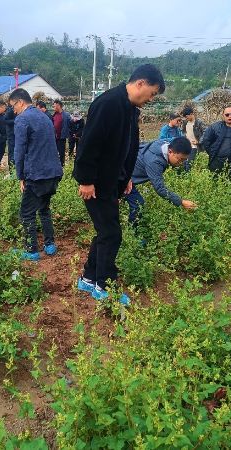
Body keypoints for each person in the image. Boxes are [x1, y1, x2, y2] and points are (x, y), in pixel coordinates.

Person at [73, 64, 165, 305]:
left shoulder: (129, 109)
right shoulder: (109, 103)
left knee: (106, 231)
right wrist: (86, 179)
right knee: (112, 233)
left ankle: (89, 279)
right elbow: (89, 144)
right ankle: (105, 286)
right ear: (140, 83)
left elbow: (127, 148)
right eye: (152, 93)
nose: (151, 99)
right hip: (97, 182)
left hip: (112, 181)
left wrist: (126, 179)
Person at [9, 88, 63, 261]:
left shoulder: (22, 119)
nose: (13, 110)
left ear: (20, 102)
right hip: (53, 173)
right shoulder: (45, 117)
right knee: (44, 209)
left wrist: (21, 176)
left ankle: (31, 250)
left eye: (13, 106)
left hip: (37, 175)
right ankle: (49, 245)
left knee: (26, 213)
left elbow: (19, 151)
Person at [125, 137, 198, 226]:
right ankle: (133, 231)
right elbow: (160, 188)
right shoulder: (155, 161)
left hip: (128, 170)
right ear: (170, 152)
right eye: (180, 159)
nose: (181, 163)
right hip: (122, 176)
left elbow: (177, 139)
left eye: (184, 160)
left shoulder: (166, 143)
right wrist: (181, 202)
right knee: (137, 204)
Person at [200, 105, 231, 178]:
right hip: (216, 161)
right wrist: (211, 153)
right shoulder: (214, 127)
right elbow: (206, 141)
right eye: (227, 115)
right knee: (215, 181)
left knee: (229, 183)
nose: (229, 116)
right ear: (223, 115)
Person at [181, 106, 207, 170]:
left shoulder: (199, 122)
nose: (186, 118)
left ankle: (189, 177)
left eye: (187, 116)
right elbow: (183, 131)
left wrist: (199, 141)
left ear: (191, 114)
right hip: (186, 146)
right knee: (183, 162)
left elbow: (206, 132)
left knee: (189, 163)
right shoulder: (185, 122)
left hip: (194, 146)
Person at [52, 99, 71, 166]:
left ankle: (62, 166)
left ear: (58, 106)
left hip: (61, 138)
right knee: (53, 153)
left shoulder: (66, 115)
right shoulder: (54, 115)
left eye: (54, 106)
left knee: (61, 153)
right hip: (54, 137)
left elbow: (70, 125)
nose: (53, 108)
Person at [4, 104, 16, 171]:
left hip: (16, 135)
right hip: (11, 135)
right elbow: (5, 120)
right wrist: (15, 120)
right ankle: (11, 170)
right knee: (11, 153)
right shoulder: (10, 111)